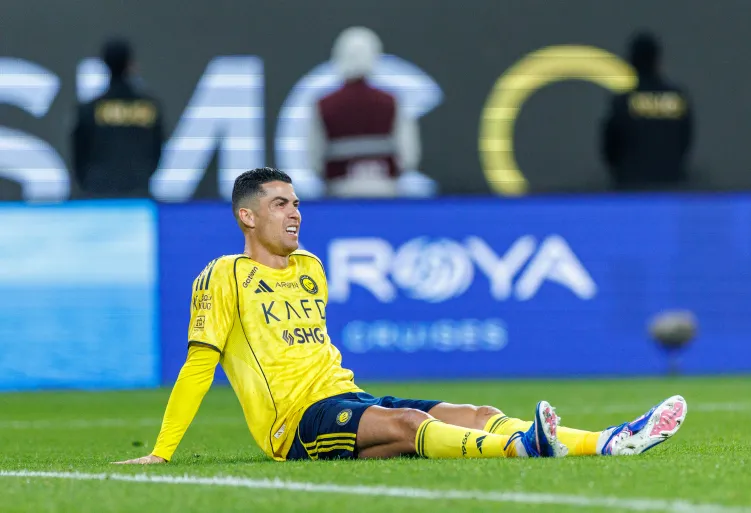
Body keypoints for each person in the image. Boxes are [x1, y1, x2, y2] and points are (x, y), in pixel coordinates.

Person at [114, 167, 687, 465]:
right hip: (295, 425)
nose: (295, 214)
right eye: (280, 204)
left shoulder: (311, 267)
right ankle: (527, 447)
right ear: (246, 215)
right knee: (414, 429)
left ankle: (609, 442)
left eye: (296, 203)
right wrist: (162, 450)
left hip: (346, 398)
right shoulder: (222, 276)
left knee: (475, 412)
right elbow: (198, 366)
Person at [306, 27, 431, 198]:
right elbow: (408, 155)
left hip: (339, 191)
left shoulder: (324, 104)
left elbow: (314, 157)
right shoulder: (391, 101)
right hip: (386, 188)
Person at [71, 38, 164, 198]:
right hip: (137, 193)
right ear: (131, 65)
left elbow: (79, 153)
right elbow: (157, 150)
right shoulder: (149, 108)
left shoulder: (90, 109)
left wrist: (90, 183)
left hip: (99, 193)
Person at [601, 32, 694, 191]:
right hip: (671, 184)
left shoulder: (624, 102)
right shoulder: (676, 98)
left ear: (632, 62)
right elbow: (685, 140)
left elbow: (611, 147)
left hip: (631, 186)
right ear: (656, 60)